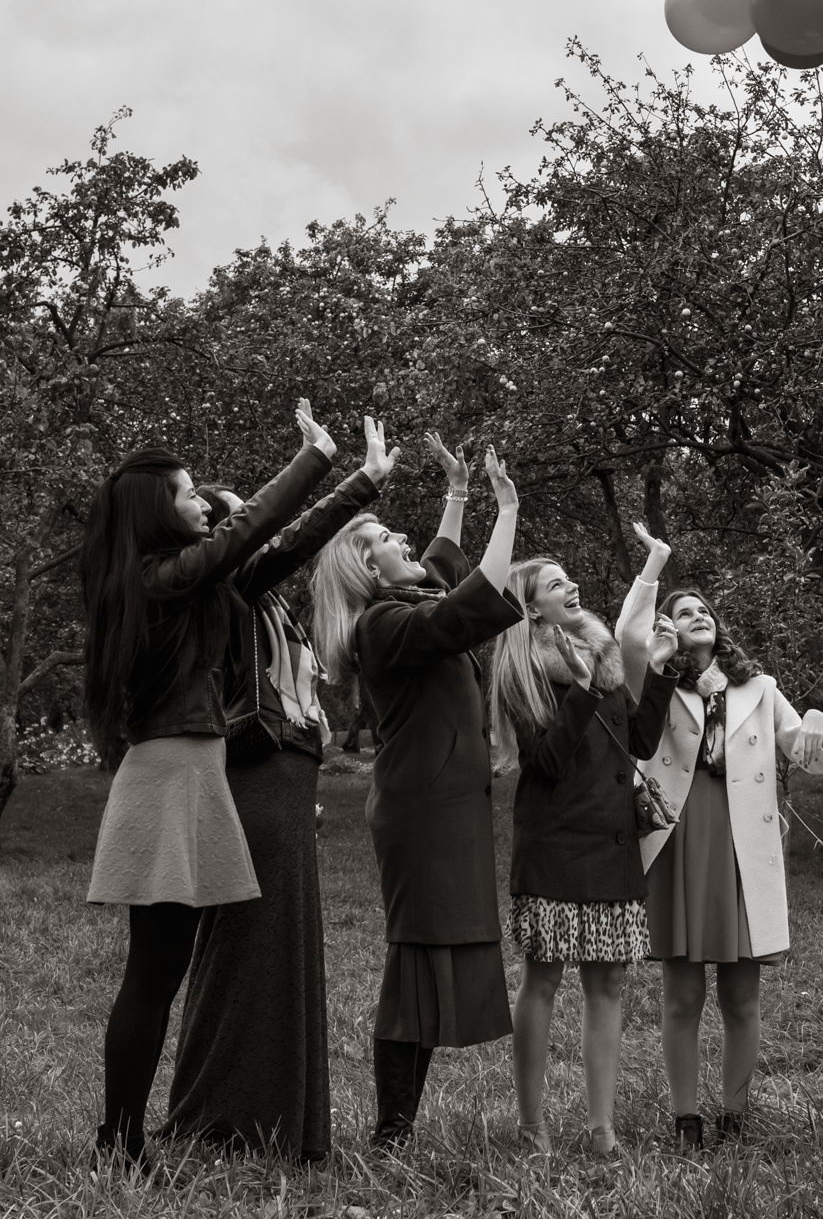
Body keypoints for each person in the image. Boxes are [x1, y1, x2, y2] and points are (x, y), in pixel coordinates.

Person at [79, 410, 337, 1169]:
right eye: (190, 493)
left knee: (158, 975)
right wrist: (311, 456)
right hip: (168, 780)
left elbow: (275, 545)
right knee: (151, 976)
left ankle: (121, 1138)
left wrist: (355, 483)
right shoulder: (155, 580)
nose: (203, 503)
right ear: (157, 509)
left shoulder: (185, 585)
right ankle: (119, 1141)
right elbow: (245, 529)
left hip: (190, 774)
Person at [159, 412, 397, 1161]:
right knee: (246, 947)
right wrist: (348, 475)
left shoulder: (254, 600)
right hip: (252, 775)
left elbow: (289, 543)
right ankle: (221, 1121)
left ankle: (270, 1121)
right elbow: (290, 535)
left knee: (281, 947)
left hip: (287, 779)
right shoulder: (220, 590)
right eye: (230, 521)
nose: (246, 531)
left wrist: (366, 479)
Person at [310, 435, 524, 1149]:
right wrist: (507, 511)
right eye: (383, 536)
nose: (400, 537)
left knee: (434, 959)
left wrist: (458, 496)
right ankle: (390, 1132)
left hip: (447, 809)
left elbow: (441, 565)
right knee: (415, 963)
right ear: (367, 567)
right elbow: (470, 602)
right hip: (423, 814)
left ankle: (397, 1127)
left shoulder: (406, 599)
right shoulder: (384, 625)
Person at [490, 525, 676, 1156]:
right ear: (530, 606)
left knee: (609, 985)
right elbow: (544, 761)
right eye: (553, 583)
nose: (570, 586)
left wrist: (659, 667)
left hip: (615, 842)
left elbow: (640, 743)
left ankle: (602, 1126)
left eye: (569, 578)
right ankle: (532, 1123)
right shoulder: (525, 670)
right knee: (541, 979)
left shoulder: (601, 650)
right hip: (555, 842)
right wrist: (585, 689)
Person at [638, 583, 823, 1152]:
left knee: (741, 996)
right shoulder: (654, 682)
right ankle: (686, 1119)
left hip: (741, 842)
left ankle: (734, 1114)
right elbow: (634, 735)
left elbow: (801, 751)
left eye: (705, 610)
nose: (699, 616)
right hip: (680, 838)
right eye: (684, 612)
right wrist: (654, 660)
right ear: (668, 629)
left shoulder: (760, 686)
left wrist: (815, 724)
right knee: (681, 995)